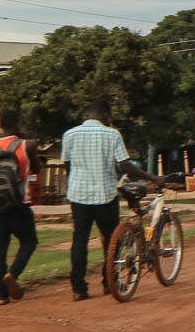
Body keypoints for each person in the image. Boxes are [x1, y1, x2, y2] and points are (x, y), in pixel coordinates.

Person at [61, 99, 164, 301]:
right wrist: (151, 178)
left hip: (79, 196)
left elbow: (68, 166)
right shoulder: (111, 134)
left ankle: (79, 289)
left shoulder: (69, 135)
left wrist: (77, 183)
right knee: (111, 240)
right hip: (105, 195)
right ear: (105, 115)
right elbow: (125, 165)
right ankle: (110, 281)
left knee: (79, 240)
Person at [0, 109, 42, 305]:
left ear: (0, 125)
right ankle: (13, 274)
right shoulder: (28, 145)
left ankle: (1, 296)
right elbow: (36, 169)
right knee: (29, 241)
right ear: (18, 124)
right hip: (19, 205)